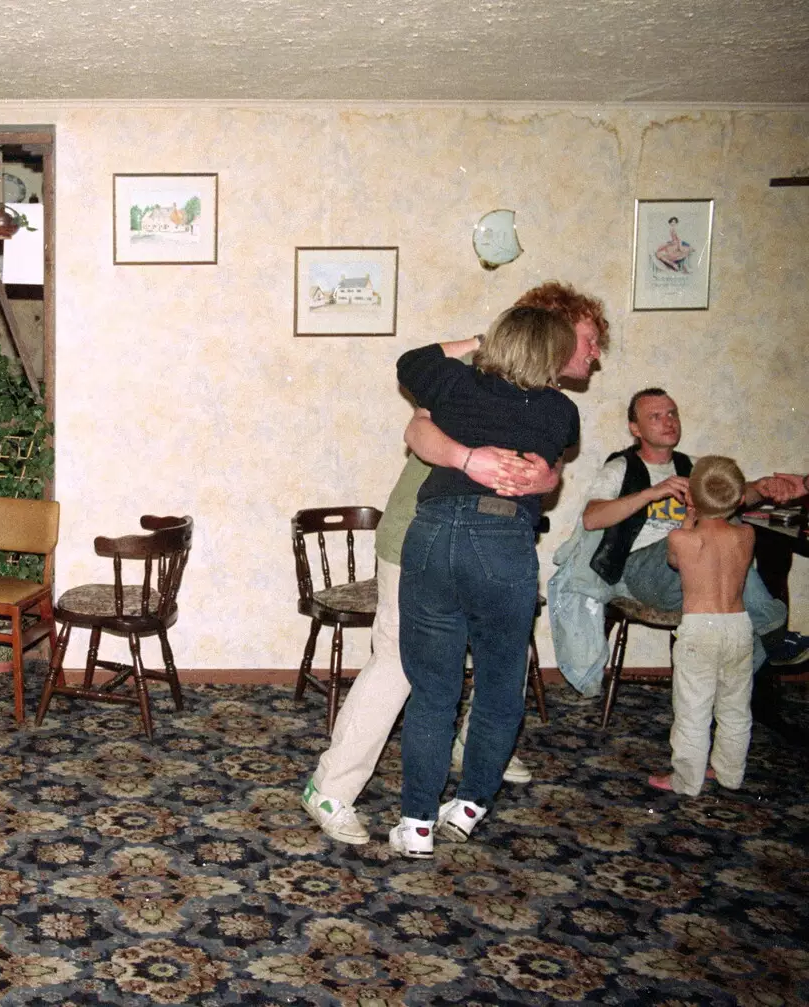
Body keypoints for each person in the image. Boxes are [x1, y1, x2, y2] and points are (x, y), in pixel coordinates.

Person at [303, 282, 607, 846]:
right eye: (587, 339)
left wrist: (545, 478)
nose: (593, 353)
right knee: (401, 663)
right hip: (421, 532)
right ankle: (332, 788)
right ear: (551, 331)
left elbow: (549, 469)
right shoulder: (474, 371)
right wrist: (473, 459)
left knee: (467, 670)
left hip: (473, 538)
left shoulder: (543, 403)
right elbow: (417, 430)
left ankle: (468, 760)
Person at [391, 306, 581, 859]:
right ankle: (470, 807)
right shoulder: (561, 411)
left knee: (433, 692)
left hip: (430, 535)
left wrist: (478, 339)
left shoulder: (455, 382)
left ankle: (416, 827)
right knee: (499, 689)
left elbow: (413, 359)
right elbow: (548, 471)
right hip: (500, 541)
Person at [548, 389, 804, 698]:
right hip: (644, 572)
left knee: (728, 552)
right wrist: (651, 493)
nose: (668, 421)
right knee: (716, 547)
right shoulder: (621, 467)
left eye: (672, 413)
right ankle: (775, 634)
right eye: (655, 416)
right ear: (635, 429)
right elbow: (592, 518)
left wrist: (761, 488)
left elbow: (734, 496)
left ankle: (722, 695)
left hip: (695, 572)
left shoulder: (694, 467)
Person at [649, 456, 756, 795]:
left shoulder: (682, 539)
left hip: (699, 629)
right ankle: (729, 772)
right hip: (739, 627)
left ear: (690, 499)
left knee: (693, 710)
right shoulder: (747, 534)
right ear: (740, 500)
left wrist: (686, 521)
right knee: (735, 706)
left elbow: (674, 562)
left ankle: (686, 780)